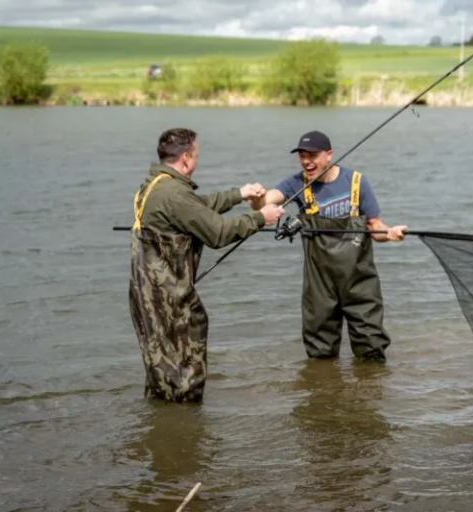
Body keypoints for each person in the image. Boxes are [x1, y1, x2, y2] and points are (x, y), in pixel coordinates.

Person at [128, 127, 284, 403]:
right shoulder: (175, 194)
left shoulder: (155, 185)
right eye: (196, 155)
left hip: (146, 298)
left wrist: (240, 194)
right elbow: (218, 233)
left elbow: (199, 207)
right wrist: (261, 217)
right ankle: (185, 432)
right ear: (186, 158)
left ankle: (163, 427)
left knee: (161, 370)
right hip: (170, 303)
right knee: (185, 375)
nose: (197, 161)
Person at [250, 130, 407, 362]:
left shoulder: (356, 182)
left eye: (312, 155)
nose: (306, 161)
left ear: (329, 154)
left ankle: (371, 393)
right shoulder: (297, 184)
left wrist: (391, 233)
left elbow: (375, 227)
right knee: (320, 353)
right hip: (319, 284)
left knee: (371, 348)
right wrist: (257, 197)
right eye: (302, 156)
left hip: (359, 280)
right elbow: (265, 202)